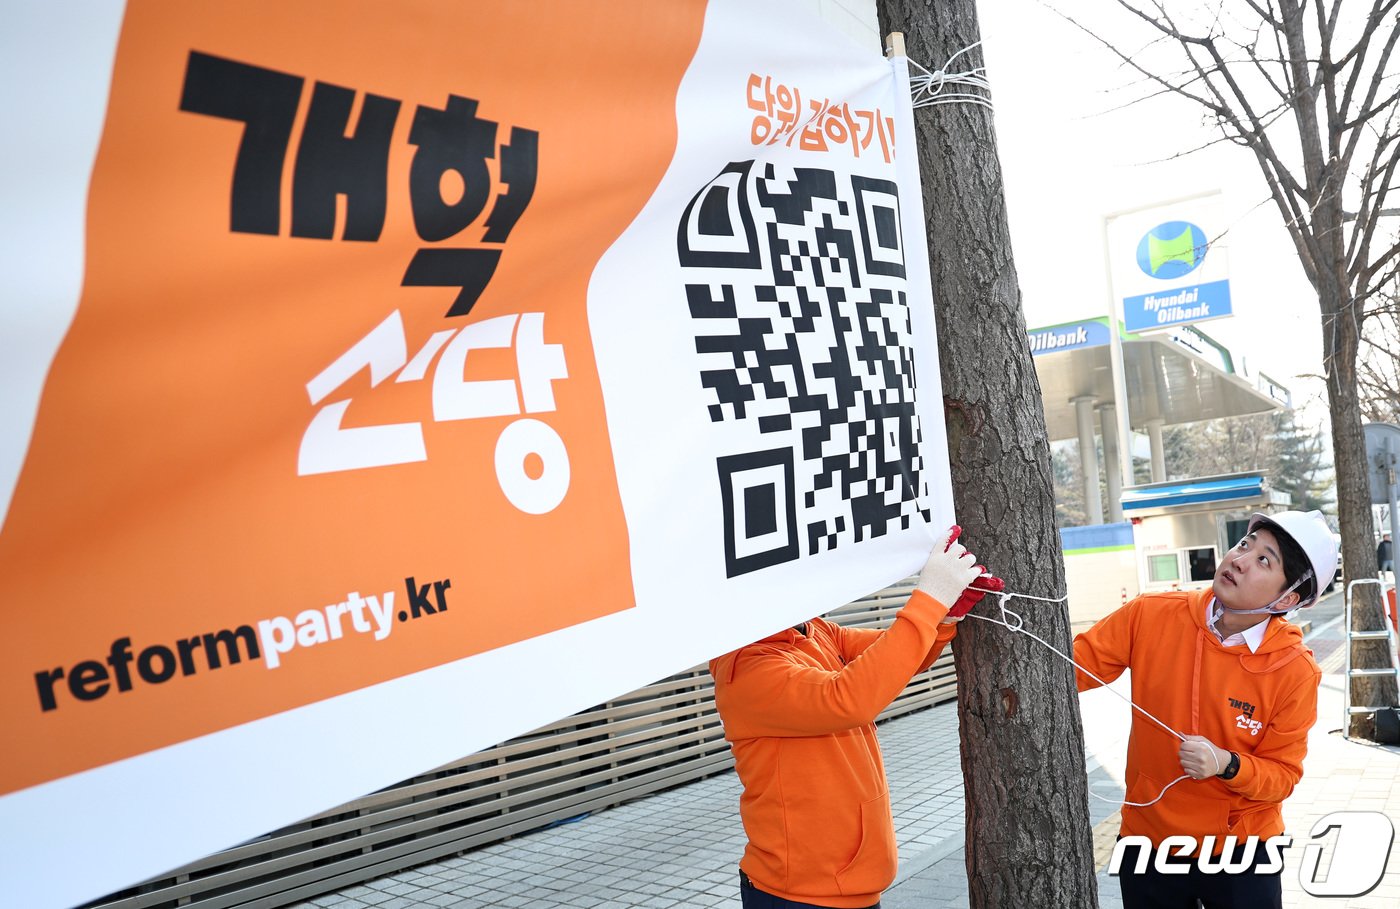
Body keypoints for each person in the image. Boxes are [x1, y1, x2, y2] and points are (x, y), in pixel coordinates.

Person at [710, 526, 996, 909]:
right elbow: (849, 698)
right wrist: (929, 599)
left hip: (845, 882)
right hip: (797, 895)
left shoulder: (813, 632)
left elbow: (895, 657)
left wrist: (943, 616)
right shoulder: (749, 671)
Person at [1074, 510, 1337, 909]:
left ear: (1288, 598)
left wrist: (1226, 764)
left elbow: (1282, 776)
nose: (1240, 560)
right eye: (1245, 544)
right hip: (1149, 841)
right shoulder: (1150, 614)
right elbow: (1068, 670)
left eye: (1265, 560)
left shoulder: (1294, 670)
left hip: (1243, 851)